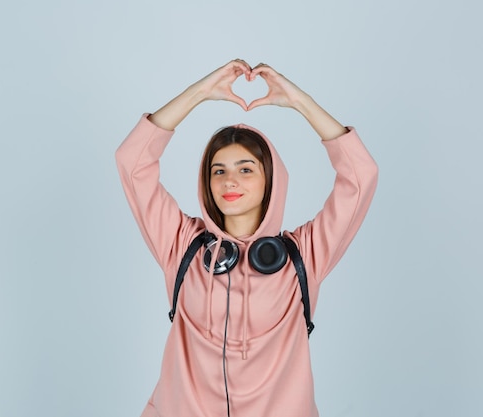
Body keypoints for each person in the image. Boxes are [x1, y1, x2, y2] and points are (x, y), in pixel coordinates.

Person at [115, 59, 378, 417]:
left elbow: (361, 175)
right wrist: (200, 94)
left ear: (271, 179)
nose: (229, 181)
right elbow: (132, 162)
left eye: (245, 169)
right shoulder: (180, 245)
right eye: (218, 170)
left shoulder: (305, 255)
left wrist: (299, 101)